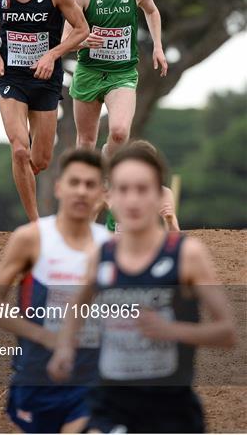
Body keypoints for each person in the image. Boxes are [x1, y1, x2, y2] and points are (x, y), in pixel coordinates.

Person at [48, 144, 236, 433]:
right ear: (110, 195)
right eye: (123, 189)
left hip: (170, 411)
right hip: (110, 406)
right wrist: (64, 348)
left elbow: (226, 333)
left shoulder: (187, 255)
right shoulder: (103, 255)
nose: (132, 200)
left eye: (142, 189)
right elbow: (78, 305)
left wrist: (171, 331)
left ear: (158, 195)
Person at [0, 148, 110, 433]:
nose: (81, 191)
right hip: (37, 375)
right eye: (74, 182)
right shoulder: (30, 239)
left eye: (90, 184)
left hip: (91, 379)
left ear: (102, 193)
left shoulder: (110, 247)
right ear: (58, 187)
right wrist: (45, 336)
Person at [0, 0, 89, 222]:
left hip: (45, 80)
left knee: (39, 160)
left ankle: (31, 177)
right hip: (11, 78)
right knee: (18, 149)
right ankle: (35, 224)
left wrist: (53, 54)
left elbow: (82, 29)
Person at [64, 0, 168, 157]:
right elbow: (66, 41)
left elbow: (152, 12)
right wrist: (83, 41)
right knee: (85, 142)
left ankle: (108, 165)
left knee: (120, 133)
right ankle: (92, 189)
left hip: (122, 73)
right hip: (89, 72)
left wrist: (158, 47)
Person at [102, 140, 180, 232]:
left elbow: (174, 236)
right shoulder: (110, 192)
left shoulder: (163, 193)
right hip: (116, 244)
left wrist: (169, 222)